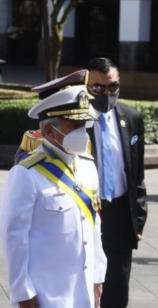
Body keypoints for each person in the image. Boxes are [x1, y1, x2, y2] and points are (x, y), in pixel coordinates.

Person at [0, 76, 107, 308]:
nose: (82, 132)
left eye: (83, 125)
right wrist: (22, 292)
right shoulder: (27, 173)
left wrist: (98, 276)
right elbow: (14, 238)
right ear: (49, 131)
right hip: (46, 294)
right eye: (73, 125)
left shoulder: (88, 165)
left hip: (84, 291)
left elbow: (94, 226)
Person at [85, 57, 148, 308]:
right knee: (87, 281)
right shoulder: (75, 119)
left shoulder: (131, 118)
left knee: (117, 284)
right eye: (98, 87)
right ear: (87, 86)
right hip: (89, 211)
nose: (106, 93)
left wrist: (139, 219)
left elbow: (137, 173)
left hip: (121, 213)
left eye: (113, 87)